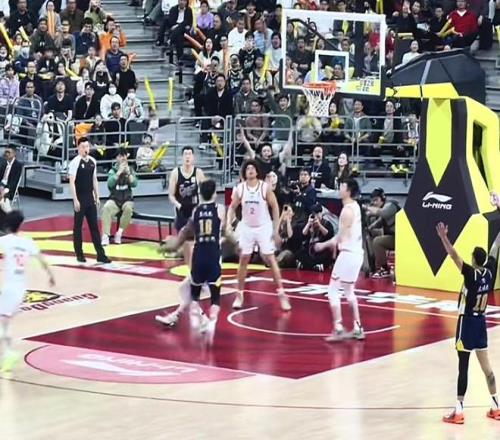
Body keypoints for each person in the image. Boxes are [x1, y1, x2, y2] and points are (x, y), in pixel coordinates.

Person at [436, 211, 500, 424]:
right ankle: (496, 406)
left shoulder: (471, 274)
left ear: (473, 260)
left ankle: (459, 410)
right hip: (481, 323)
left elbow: (454, 256)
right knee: (487, 367)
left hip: (467, 322)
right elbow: (495, 247)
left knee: (463, 367)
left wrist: (444, 237)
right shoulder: (490, 272)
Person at [226, 159, 291, 311]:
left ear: (257, 171)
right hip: (247, 227)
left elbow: (275, 206)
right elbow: (232, 207)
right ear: (244, 172)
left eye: (252, 168)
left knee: (270, 259)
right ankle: (239, 295)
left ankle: (282, 294)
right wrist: (228, 223)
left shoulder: (264, 187)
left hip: (263, 226)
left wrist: (275, 229)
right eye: (247, 168)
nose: (250, 170)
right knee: (243, 259)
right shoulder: (240, 188)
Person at [0, 210, 55, 373]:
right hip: (20, 288)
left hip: (10, 289)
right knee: (4, 321)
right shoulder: (27, 242)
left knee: (3, 322)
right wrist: (51, 276)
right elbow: (42, 260)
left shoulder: (5, 240)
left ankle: (9, 353)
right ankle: (8, 354)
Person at [315, 178, 365, 341]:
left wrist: (322, 245)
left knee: (333, 290)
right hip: (356, 253)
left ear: (348, 191)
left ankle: (338, 328)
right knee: (349, 291)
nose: (340, 188)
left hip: (348, 254)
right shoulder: (355, 206)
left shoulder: (347, 211)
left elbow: (340, 237)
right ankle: (357, 328)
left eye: (342, 186)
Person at [68, 137, 111, 264]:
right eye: (83, 147)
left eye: (87, 146)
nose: (85, 149)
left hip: (90, 198)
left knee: (94, 227)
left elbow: (94, 179)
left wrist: (97, 196)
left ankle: (100, 254)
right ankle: (79, 254)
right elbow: (72, 182)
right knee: (78, 227)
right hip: (80, 197)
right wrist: (75, 200)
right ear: (78, 148)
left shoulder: (92, 161)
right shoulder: (75, 162)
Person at [101, 148, 138, 246]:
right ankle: (105, 235)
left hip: (127, 198)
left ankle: (119, 233)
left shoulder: (130, 169)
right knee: (106, 208)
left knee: (128, 209)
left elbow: (134, 183)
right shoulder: (112, 170)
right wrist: (118, 172)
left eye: (124, 156)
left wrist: (128, 173)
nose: (123, 158)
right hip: (115, 199)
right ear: (117, 158)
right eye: (120, 156)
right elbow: (110, 184)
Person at [168, 146, 205, 232]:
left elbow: (205, 192)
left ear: (193, 157)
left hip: (195, 209)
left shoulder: (198, 172)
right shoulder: (175, 173)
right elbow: (171, 195)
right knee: (182, 235)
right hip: (181, 209)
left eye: (189, 154)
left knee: (196, 235)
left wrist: (200, 205)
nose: (187, 157)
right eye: (185, 154)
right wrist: (179, 206)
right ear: (182, 157)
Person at [365, 187, 400, 278]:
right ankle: (375, 266)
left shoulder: (391, 205)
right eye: (373, 201)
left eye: (376, 200)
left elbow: (383, 213)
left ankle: (384, 269)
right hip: (396, 238)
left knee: (378, 241)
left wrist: (368, 208)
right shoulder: (385, 207)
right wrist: (370, 228)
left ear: (383, 198)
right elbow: (379, 222)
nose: (374, 203)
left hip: (402, 239)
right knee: (376, 238)